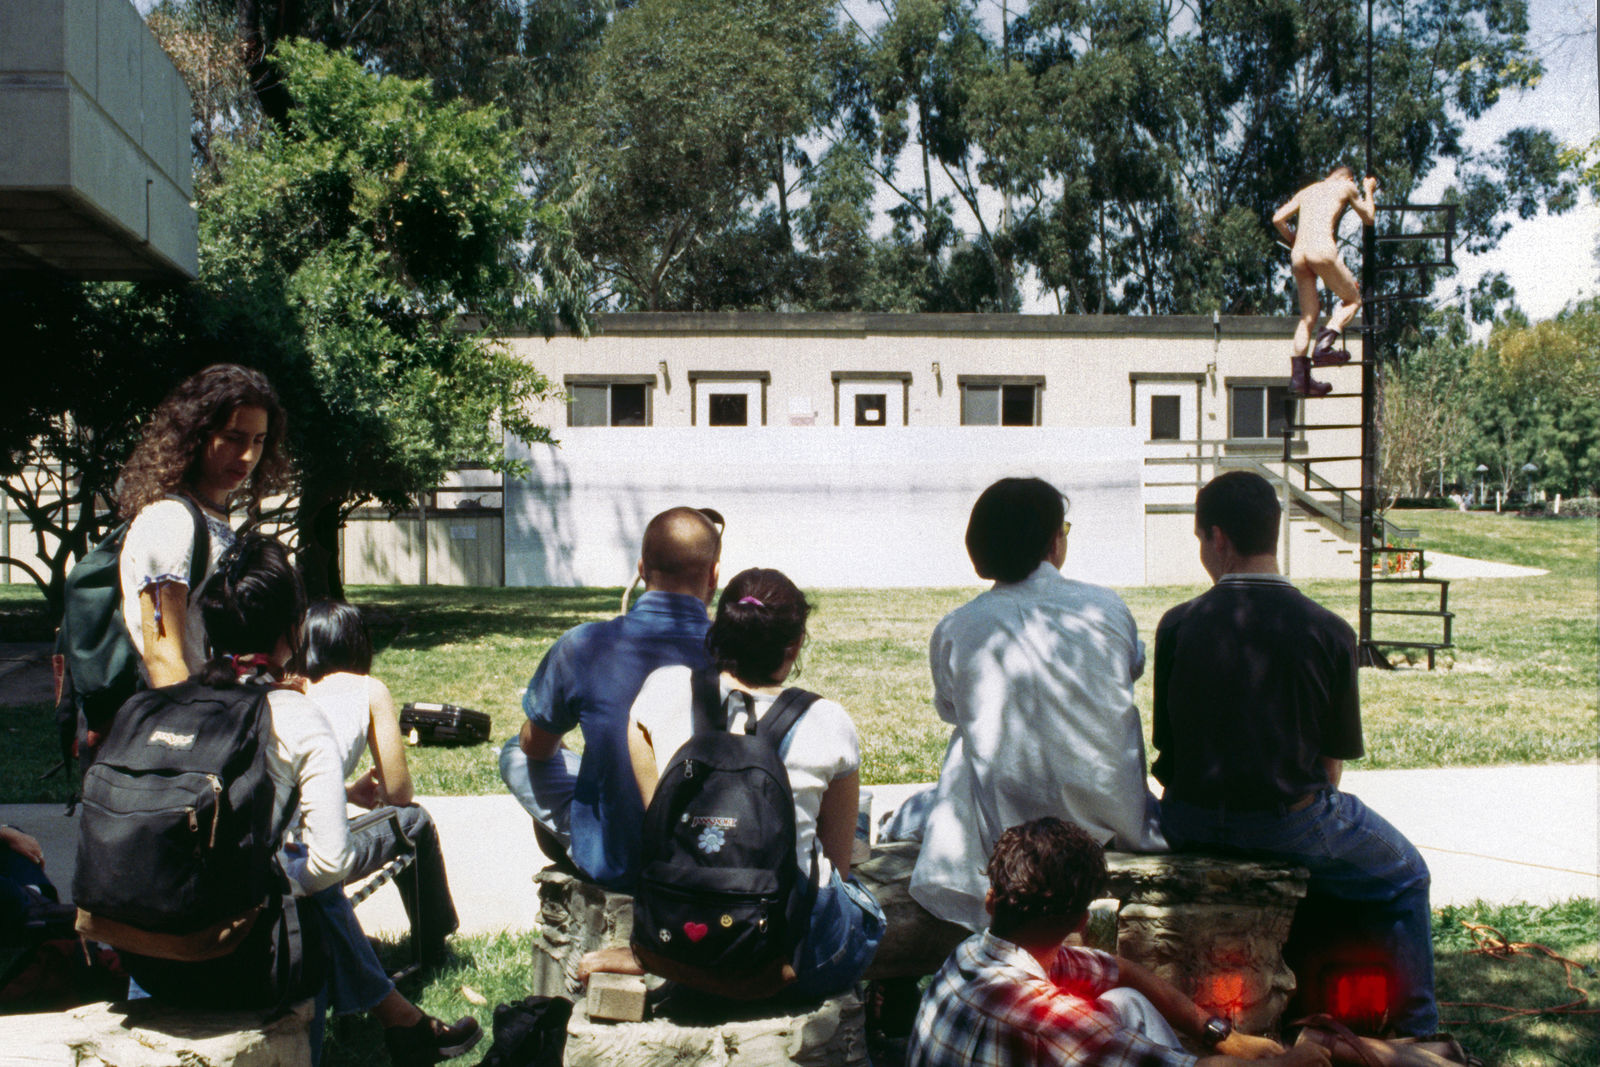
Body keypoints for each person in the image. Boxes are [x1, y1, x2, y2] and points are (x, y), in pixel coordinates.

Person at [118, 537, 479, 1066]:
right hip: (238, 958)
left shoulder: (162, 706)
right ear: (293, 631)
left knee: (285, 874)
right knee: (308, 893)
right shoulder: (295, 714)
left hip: (148, 956)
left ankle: (399, 1019)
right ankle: (399, 1021)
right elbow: (330, 864)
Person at [1152, 471, 1438, 1037]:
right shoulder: (1328, 630)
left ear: (1217, 538)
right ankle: (1418, 1033)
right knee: (1407, 876)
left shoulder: (1178, 625)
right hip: (1289, 825)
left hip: (1188, 819)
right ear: (1272, 533)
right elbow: (1332, 767)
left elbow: (1170, 746)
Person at [585, 567, 885, 1001]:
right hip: (782, 956)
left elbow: (661, 822)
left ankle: (677, 962)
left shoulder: (662, 689)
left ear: (719, 630)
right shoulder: (828, 721)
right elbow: (834, 868)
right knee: (862, 897)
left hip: (680, 931)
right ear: (795, 644)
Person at [886, 477, 1165, 932]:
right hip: (1111, 815)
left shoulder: (959, 625)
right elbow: (1129, 669)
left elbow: (951, 709)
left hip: (1009, 823)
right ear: (1054, 541)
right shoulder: (1106, 607)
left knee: (959, 750)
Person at [906, 817, 1329, 1067]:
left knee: (1127, 1001)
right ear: (1081, 921)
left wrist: (1221, 1035)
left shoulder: (971, 956)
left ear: (991, 901)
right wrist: (1291, 1063)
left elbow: (1119, 970)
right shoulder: (1053, 1020)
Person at [499, 507, 721, 891]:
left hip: (616, 861)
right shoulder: (735, 651)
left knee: (514, 752)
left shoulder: (584, 646)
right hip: (713, 850)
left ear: (641, 568)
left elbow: (535, 749)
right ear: (714, 576)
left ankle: (576, 840)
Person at [303, 599, 460, 968]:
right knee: (415, 821)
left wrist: (343, 791)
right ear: (359, 644)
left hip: (276, 852)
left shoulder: (294, 688)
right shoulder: (369, 690)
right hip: (319, 856)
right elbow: (399, 793)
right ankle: (433, 944)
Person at [117, 364, 290, 689]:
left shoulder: (214, 516)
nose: (248, 455)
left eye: (259, 440)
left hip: (222, 713)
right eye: (234, 438)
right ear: (196, 435)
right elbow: (163, 659)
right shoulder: (169, 521)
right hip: (190, 720)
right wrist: (197, 730)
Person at [1272, 164, 1379, 397]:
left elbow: (1278, 218)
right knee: (1353, 300)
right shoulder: (1347, 186)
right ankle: (1325, 342)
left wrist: (1293, 240)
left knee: (1308, 316)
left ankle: (1300, 380)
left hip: (1299, 254)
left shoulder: (1308, 190)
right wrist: (1368, 189)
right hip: (1322, 250)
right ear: (1349, 178)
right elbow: (1369, 218)